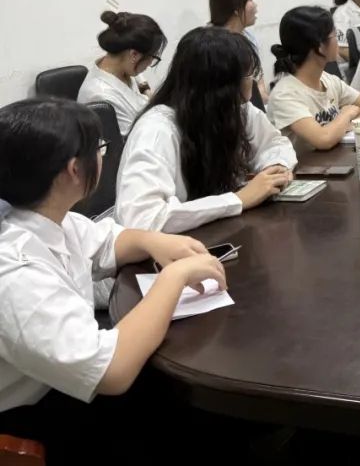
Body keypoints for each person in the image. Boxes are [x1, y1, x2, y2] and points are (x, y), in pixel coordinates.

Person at [0, 99, 227, 460]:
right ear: (75, 169)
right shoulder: (15, 271)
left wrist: (153, 240)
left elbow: (108, 241)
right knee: (182, 412)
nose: (103, 156)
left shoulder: (47, 217)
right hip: (32, 416)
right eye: (100, 149)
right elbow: (112, 372)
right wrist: (174, 278)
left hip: (59, 378)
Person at [116, 27, 297, 233]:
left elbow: (274, 144)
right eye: (249, 74)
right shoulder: (157, 130)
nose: (252, 81)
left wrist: (275, 168)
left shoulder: (235, 109)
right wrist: (237, 200)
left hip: (216, 233)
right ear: (222, 85)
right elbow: (141, 219)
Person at [268, 6, 360, 151]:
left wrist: (345, 125)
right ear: (320, 46)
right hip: (305, 164)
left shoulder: (328, 80)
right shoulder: (285, 94)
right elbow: (324, 139)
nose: (338, 41)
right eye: (335, 35)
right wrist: (346, 114)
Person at [77, 11, 167, 136]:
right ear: (134, 54)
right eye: (152, 57)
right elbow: (134, 139)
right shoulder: (101, 96)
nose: (149, 64)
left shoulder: (122, 66)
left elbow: (143, 92)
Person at [209, 0, 269, 105]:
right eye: (250, 0)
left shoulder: (249, 38)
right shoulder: (212, 44)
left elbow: (260, 87)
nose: (255, 5)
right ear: (236, 8)